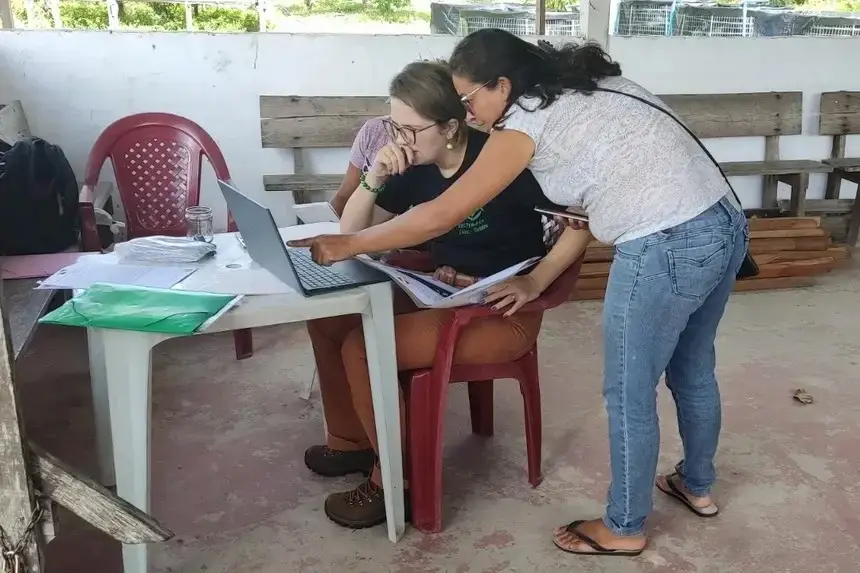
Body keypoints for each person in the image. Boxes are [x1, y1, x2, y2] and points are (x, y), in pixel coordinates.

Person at [289, 29, 749, 555]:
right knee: (691, 368)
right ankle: (697, 484)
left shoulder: (522, 129)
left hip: (664, 241)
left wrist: (350, 244)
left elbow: (444, 213)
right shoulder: (590, 86)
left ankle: (624, 528)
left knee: (628, 390)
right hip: (725, 220)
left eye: (469, 99)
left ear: (501, 84)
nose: (469, 111)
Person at [302, 59, 590, 530]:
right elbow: (350, 233)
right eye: (394, 126)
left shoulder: (505, 159)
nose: (401, 140)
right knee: (330, 319)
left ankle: (396, 476)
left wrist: (535, 282)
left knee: (365, 346)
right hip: (440, 291)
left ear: (453, 126)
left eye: (412, 129)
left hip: (500, 311)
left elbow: (580, 225)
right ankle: (354, 442)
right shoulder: (414, 164)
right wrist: (374, 175)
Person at [329, 117, 390, 216]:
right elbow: (344, 195)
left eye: (412, 129)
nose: (401, 140)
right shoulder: (374, 129)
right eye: (396, 127)